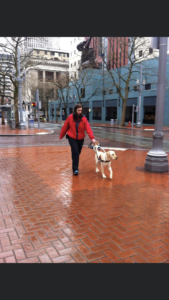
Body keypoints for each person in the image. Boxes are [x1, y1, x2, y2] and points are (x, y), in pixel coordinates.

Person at [59, 104, 96, 175]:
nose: (80, 112)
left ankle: (74, 161)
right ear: (75, 110)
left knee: (77, 153)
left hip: (80, 138)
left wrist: (92, 138)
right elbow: (65, 127)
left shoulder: (84, 119)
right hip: (71, 137)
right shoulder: (70, 117)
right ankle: (75, 169)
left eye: (81, 110)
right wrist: (61, 136)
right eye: (78, 110)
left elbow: (88, 128)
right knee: (75, 152)